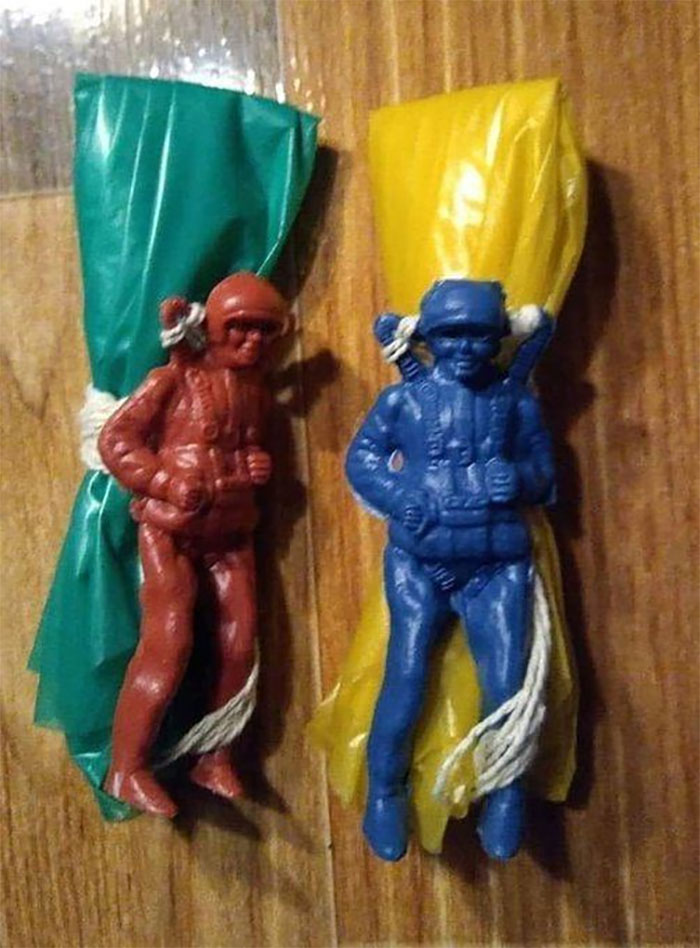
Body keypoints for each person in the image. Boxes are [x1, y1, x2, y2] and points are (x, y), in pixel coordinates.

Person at [345, 278, 555, 860]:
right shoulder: (403, 401)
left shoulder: (515, 402)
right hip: (420, 560)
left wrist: (521, 478)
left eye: (480, 336)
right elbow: (362, 459)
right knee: (407, 673)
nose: (465, 348)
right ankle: (385, 789)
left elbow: (544, 467)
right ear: (430, 338)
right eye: (451, 335)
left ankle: (505, 790)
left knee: (507, 683)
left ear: (499, 338)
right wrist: (398, 495)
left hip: (496, 563)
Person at [98, 272, 286, 817]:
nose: (251, 341)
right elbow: (117, 440)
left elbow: (244, 447)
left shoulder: (255, 392)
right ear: (215, 326)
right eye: (240, 328)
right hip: (171, 530)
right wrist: (162, 480)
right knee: (170, 641)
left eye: (264, 331)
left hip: (231, 532)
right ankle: (126, 767)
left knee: (240, 643)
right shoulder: (172, 379)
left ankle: (214, 754)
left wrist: (255, 464)